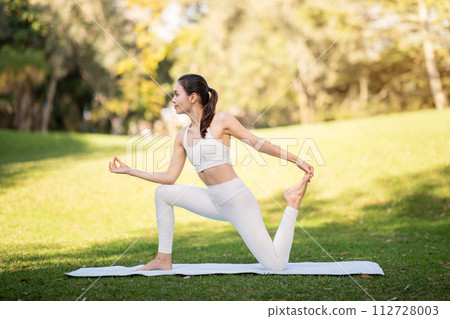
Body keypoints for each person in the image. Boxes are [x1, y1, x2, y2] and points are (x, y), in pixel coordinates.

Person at [109, 74, 314, 271]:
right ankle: (163, 258)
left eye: (177, 94)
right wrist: (130, 171)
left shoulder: (221, 120)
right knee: (162, 193)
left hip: (237, 201)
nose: (173, 100)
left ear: (192, 97)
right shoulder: (181, 136)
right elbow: (170, 177)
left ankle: (292, 201)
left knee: (275, 265)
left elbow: (259, 144)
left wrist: (298, 160)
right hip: (214, 201)